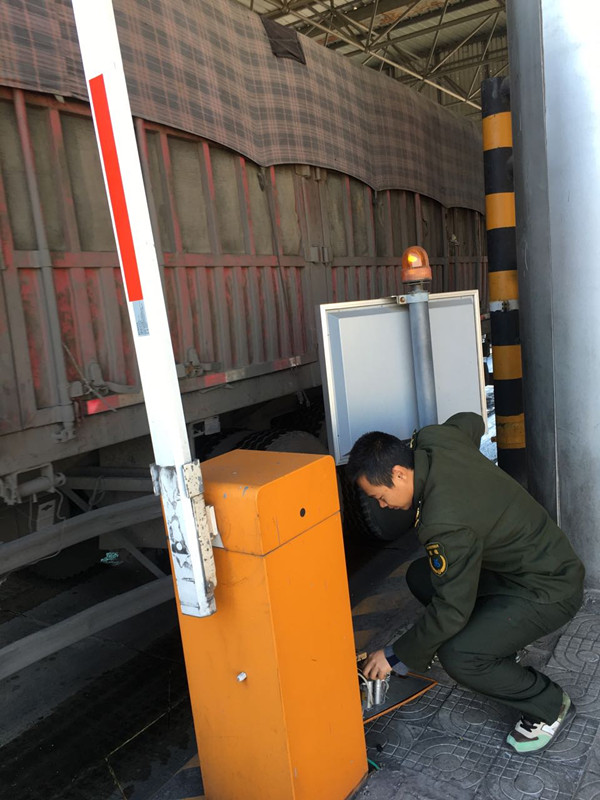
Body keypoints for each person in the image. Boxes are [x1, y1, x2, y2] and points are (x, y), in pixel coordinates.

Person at [347, 412, 585, 754]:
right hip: (525, 564)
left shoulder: (444, 522)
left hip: (549, 588)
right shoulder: (434, 439)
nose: (382, 504)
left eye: (380, 496)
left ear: (399, 473)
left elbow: (452, 610)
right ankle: (496, 640)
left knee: (459, 655)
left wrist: (394, 655)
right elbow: (471, 420)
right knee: (420, 576)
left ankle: (547, 704)